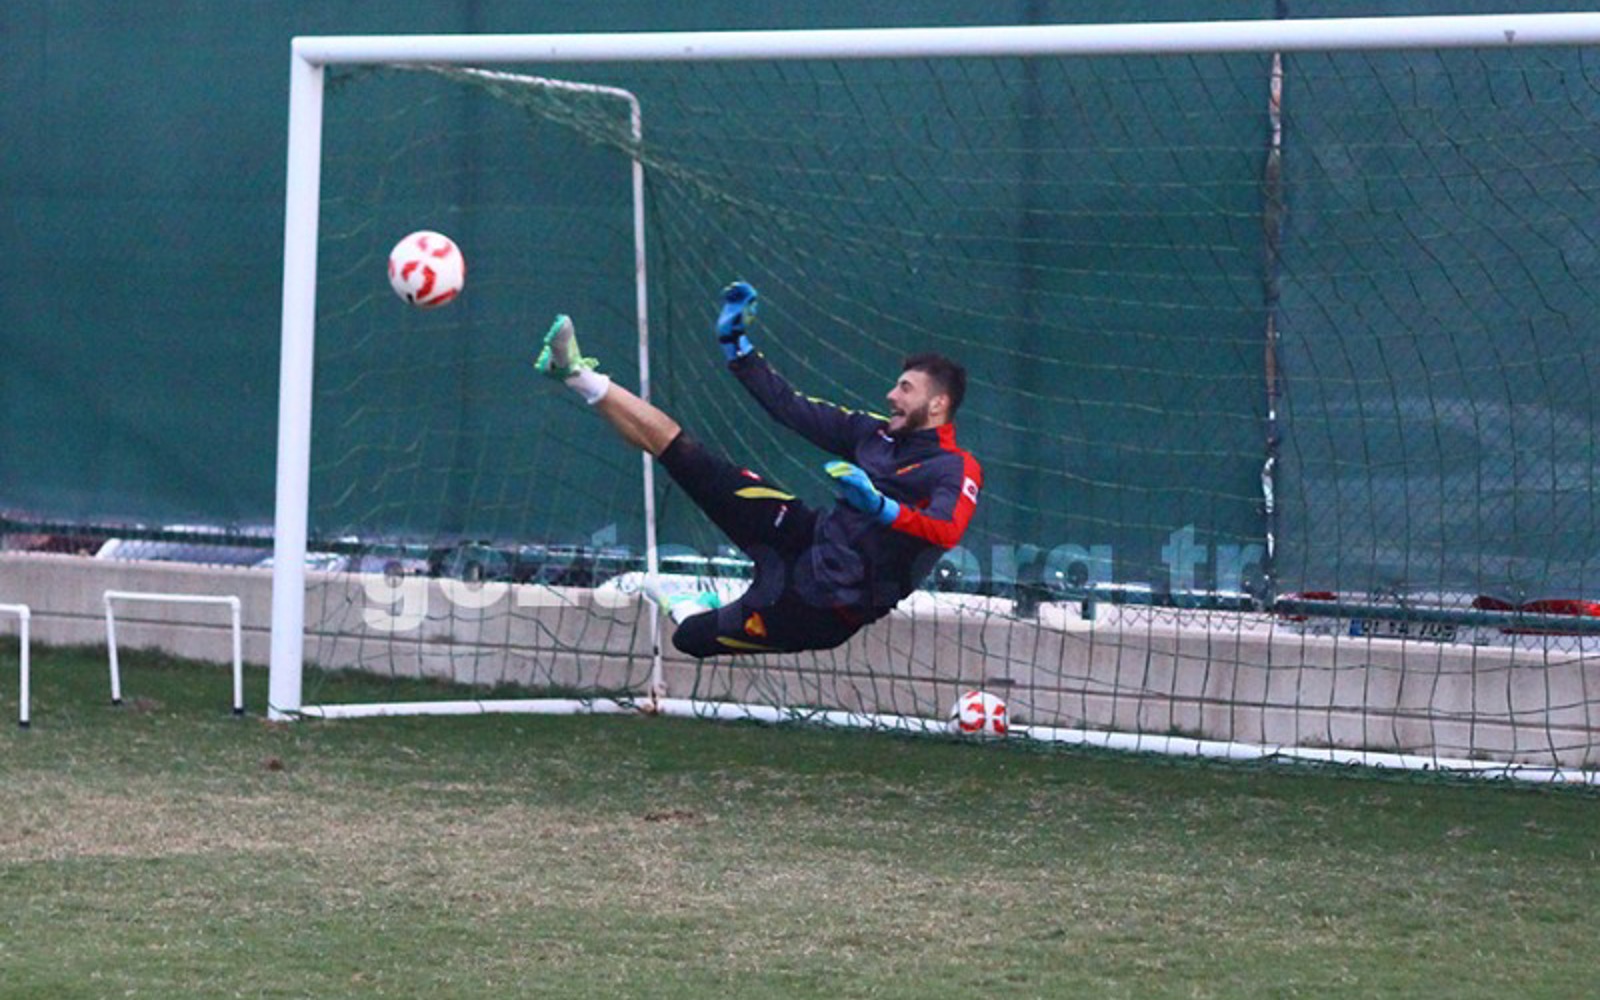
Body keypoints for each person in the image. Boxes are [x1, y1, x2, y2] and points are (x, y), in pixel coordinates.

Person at [535, 281, 982, 657]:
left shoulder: (954, 468)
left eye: (905, 389)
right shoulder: (873, 432)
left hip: (821, 608)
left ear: (937, 404)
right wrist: (737, 346)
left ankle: (684, 603)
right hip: (802, 535)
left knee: (691, 639)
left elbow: (947, 529)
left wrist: (881, 507)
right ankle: (574, 373)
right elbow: (788, 406)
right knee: (684, 453)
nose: (891, 395)